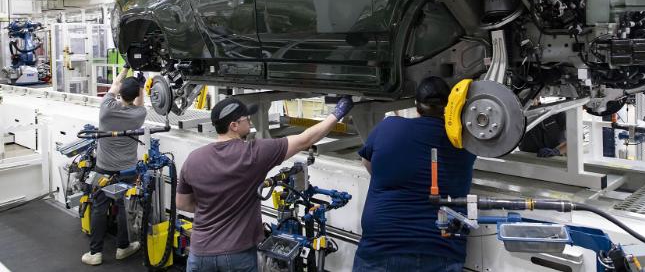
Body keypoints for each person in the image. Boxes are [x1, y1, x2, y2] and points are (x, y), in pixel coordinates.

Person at [176, 95, 353, 272]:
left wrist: (214, 207)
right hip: (238, 255)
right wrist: (337, 114)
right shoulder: (253, 153)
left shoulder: (194, 159)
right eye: (246, 118)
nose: (250, 121)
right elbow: (304, 140)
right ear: (234, 126)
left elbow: (182, 203)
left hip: (200, 254)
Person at [353, 76, 476, 272]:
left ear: (416, 105)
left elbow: (368, 164)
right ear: (451, 105)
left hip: (382, 247)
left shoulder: (388, 127)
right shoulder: (465, 141)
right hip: (442, 251)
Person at [81, 65, 147, 266]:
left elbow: (116, 84)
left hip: (103, 169)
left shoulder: (106, 109)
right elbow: (140, 104)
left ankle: (96, 253)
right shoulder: (138, 115)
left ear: (120, 94)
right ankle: (123, 248)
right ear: (135, 95)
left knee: (100, 208)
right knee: (125, 208)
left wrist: (126, 68)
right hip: (127, 170)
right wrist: (141, 87)